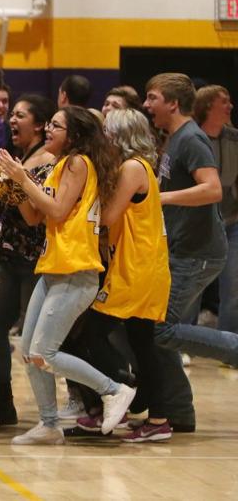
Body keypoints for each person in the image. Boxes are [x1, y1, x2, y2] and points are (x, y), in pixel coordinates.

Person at [0, 106, 136, 445]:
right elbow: (34, 216)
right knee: (29, 352)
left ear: (73, 136)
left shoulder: (78, 163)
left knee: (44, 352)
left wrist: (23, 178)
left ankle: (114, 390)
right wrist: (12, 188)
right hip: (54, 267)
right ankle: (48, 425)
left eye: (56, 125)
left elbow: (58, 209)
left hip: (77, 269)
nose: (47, 128)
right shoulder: (61, 166)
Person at [143, 74, 232, 431]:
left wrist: (160, 198)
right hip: (182, 248)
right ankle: (180, 413)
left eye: (152, 98)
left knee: (162, 330)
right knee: (159, 330)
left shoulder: (192, 138)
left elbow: (212, 190)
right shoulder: (175, 138)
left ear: (173, 103)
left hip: (199, 252)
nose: (147, 105)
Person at [0, 94, 56, 428]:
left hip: (37, 260)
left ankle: (62, 410)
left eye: (20, 115)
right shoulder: (19, 156)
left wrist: (12, 184)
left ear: (39, 123)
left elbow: (34, 218)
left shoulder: (48, 159)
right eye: (12, 115)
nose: (12, 121)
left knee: (37, 340)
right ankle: (1, 403)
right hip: (9, 255)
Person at [93, 108, 171, 443]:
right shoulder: (139, 166)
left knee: (91, 334)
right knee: (142, 342)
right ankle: (156, 418)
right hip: (141, 265)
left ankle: (123, 392)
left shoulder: (132, 168)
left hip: (136, 268)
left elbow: (107, 217)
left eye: (106, 132)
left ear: (118, 136)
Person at [194, 86, 238, 333]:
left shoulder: (234, 139)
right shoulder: (189, 138)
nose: (230, 106)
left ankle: (230, 346)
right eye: (224, 101)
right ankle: (181, 343)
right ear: (207, 106)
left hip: (231, 222)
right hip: (198, 225)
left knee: (232, 286)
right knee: (191, 288)